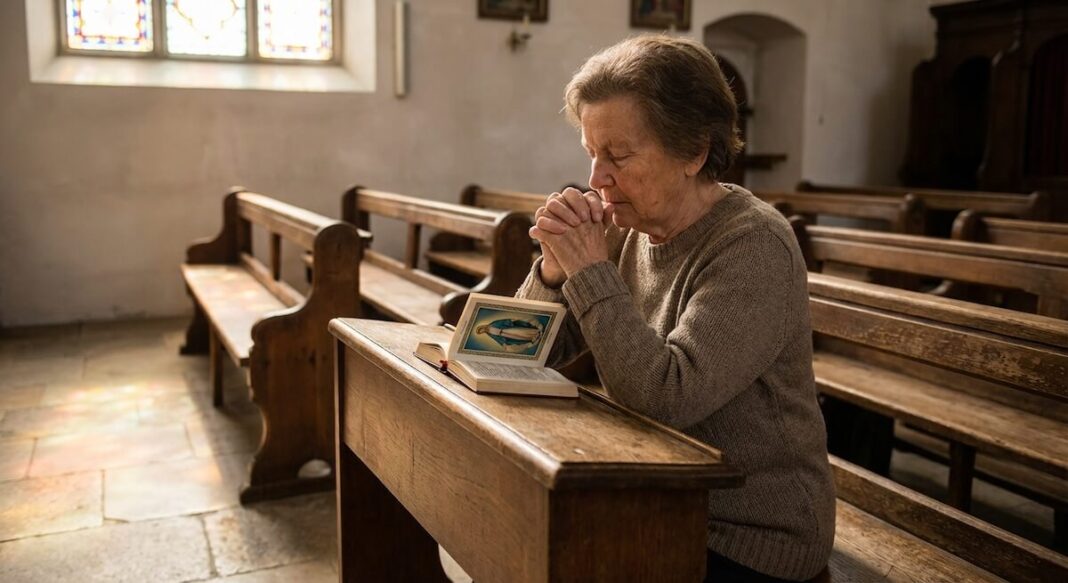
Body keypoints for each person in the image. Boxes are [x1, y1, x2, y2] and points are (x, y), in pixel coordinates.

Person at [515, 35, 835, 582]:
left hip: (747, 533)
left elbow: (664, 399)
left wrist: (589, 273)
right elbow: (521, 353)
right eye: (592, 154)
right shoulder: (626, 223)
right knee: (519, 532)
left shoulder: (753, 245)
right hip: (656, 494)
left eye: (617, 156)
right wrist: (552, 268)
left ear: (695, 151)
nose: (596, 180)